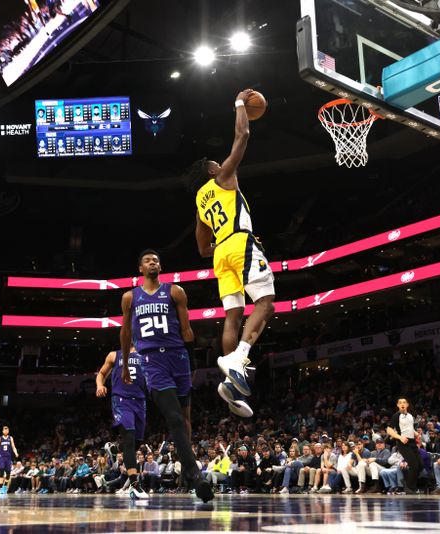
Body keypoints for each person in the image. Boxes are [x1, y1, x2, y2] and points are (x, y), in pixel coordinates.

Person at [191, 89, 275, 410]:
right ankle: (239, 359)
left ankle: (231, 387)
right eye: (216, 163)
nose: (220, 163)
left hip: (220, 253)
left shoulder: (199, 203)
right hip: (241, 243)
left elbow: (201, 247)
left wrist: (223, 240)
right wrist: (240, 102)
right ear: (213, 171)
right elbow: (243, 134)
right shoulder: (224, 178)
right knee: (266, 304)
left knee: (233, 315)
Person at [120, 249, 213, 503]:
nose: (153, 263)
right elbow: (126, 333)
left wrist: (192, 360)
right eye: (148, 260)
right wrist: (127, 364)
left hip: (178, 357)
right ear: (141, 268)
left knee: (184, 420)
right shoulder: (130, 297)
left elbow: (187, 329)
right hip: (152, 361)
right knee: (173, 418)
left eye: (156, 260)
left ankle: (187, 466)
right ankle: (196, 476)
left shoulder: (175, 292)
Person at [95, 345, 148, 499]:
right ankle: (134, 485)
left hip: (140, 400)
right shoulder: (114, 354)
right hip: (121, 399)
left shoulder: (145, 354)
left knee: (136, 444)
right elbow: (102, 373)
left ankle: (115, 448)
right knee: (129, 438)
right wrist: (100, 385)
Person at [386, 397, 421, 494]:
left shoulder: (410, 416)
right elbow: (389, 430)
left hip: (412, 442)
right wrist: (400, 437)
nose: (402, 404)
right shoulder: (396, 416)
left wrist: (416, 434)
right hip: (403, 443)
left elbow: (409, 428)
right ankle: (409, 487)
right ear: (397, 405)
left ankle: (407, 482)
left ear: (407, 405)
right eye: (400, 403)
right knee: (414, 465)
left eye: (404, 402)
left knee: (420, 465)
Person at [0, 426, 18, 495]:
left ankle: (5, 486)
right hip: (1, 457)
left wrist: (16, 452)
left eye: (7, 430)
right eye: (5, 430)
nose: (6, 431)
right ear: (3, 431)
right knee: (1, 470)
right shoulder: (0, 438)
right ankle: (0, 488)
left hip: (8, 457)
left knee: (8, 473)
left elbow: (13, 446)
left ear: (8, 431)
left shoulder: (10, 438)